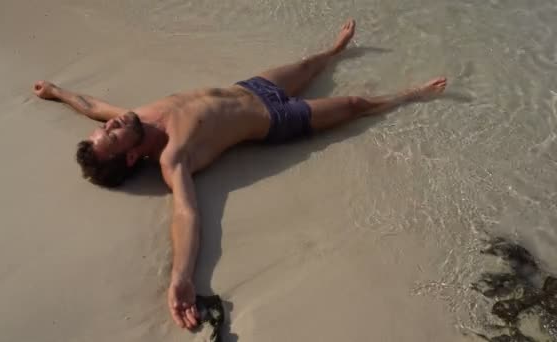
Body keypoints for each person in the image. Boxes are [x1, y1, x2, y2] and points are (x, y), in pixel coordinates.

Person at [33, 19, 447, 330]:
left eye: (107, 127)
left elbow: (90, 104)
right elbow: (186, 215)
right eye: (111, 134)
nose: (111, 123)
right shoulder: (173, 157)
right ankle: (412, 95)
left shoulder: (132, 119)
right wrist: (182, 278)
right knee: (354, 103)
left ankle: (335, 51)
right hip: (273, 117)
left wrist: (56, 91)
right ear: (128, 158)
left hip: (251, 86)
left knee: (310, 64)